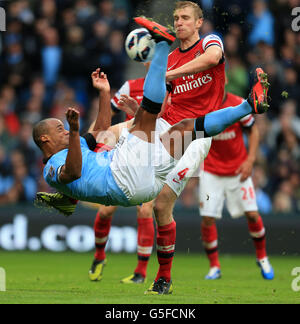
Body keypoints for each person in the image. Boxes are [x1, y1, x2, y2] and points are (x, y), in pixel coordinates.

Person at [35, 15, 270, 295]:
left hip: (142, 183)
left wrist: (103, 93)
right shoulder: (52, 167)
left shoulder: (75, 145)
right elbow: (72, 172)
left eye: (65, 128)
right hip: (122, 175)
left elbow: (98, 133)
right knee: (146, 114)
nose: (64, 130)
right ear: (44, 139)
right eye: (59, 129)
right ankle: (161, 44)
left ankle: (249, 105)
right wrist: (73, 132)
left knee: (186, 129)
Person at [199, 90, 274, 281]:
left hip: (237, 170)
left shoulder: (239, 103)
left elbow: (253, 130)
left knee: (252, 214)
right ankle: (214, 266)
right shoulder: (201, 104)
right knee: (207, 218)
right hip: (210, 170)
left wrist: (250, 160)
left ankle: (262, 257)